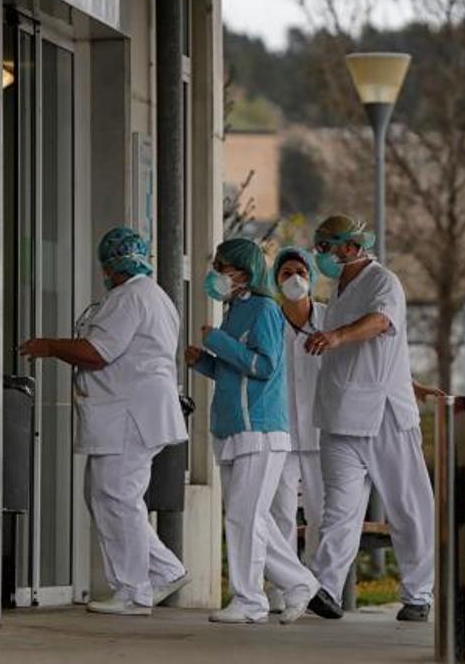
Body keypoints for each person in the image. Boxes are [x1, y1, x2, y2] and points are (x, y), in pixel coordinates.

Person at [20, 227, 188, 617]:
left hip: (130, 412)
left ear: (112, 266)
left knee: (116, 496)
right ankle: (163, 570)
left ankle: (133, 591)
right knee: (106, 495)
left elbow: (98, 352)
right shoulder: (153, 295)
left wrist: (48, 346)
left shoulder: (130, 297)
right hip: (133, 411)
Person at [302, 215, 442, 623]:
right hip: (339, 416)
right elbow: (379, 356)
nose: (321, 256)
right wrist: (413, 382)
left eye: (325, 248)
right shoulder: (339, 287)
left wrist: (337, 335)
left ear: (349, 247)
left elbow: (382, 324)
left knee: (408, 507)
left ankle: (418, 594)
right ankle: (326, 588)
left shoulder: (384, 282)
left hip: (384, 416)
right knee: (340, 510)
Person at [186, 238, 318, 625]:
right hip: (231, 429)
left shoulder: (264, 309)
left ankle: (250, 600)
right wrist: (204, 362)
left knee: (244, 518)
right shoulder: (235, 310)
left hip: (259, 429)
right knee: (250, 518)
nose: (215, 273)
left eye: (221, 266)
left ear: (243, 272)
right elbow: (234, 371)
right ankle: (299, 583)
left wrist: (218, 342)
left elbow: (264, 367)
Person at [264, 247, 327, 613]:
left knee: (323, 515)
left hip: (321, 432)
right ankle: (281, 589)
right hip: (282, 430)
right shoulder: (270, 318)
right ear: (276, 280)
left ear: (311, 277)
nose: (293, 278)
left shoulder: (329, 318)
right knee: (281, 514)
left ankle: (318, 588)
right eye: (286, 272)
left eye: (300, 270)